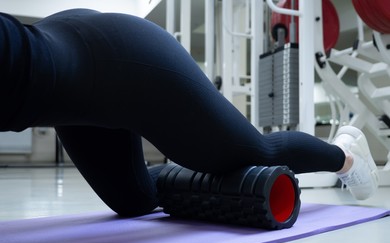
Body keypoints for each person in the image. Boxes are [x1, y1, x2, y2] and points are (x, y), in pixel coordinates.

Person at [0, 9, 378, 217]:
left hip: (123, 56)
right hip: (73, 85)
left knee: (256, 153)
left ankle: (345, 155)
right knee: (134, 202)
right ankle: (182, 172)